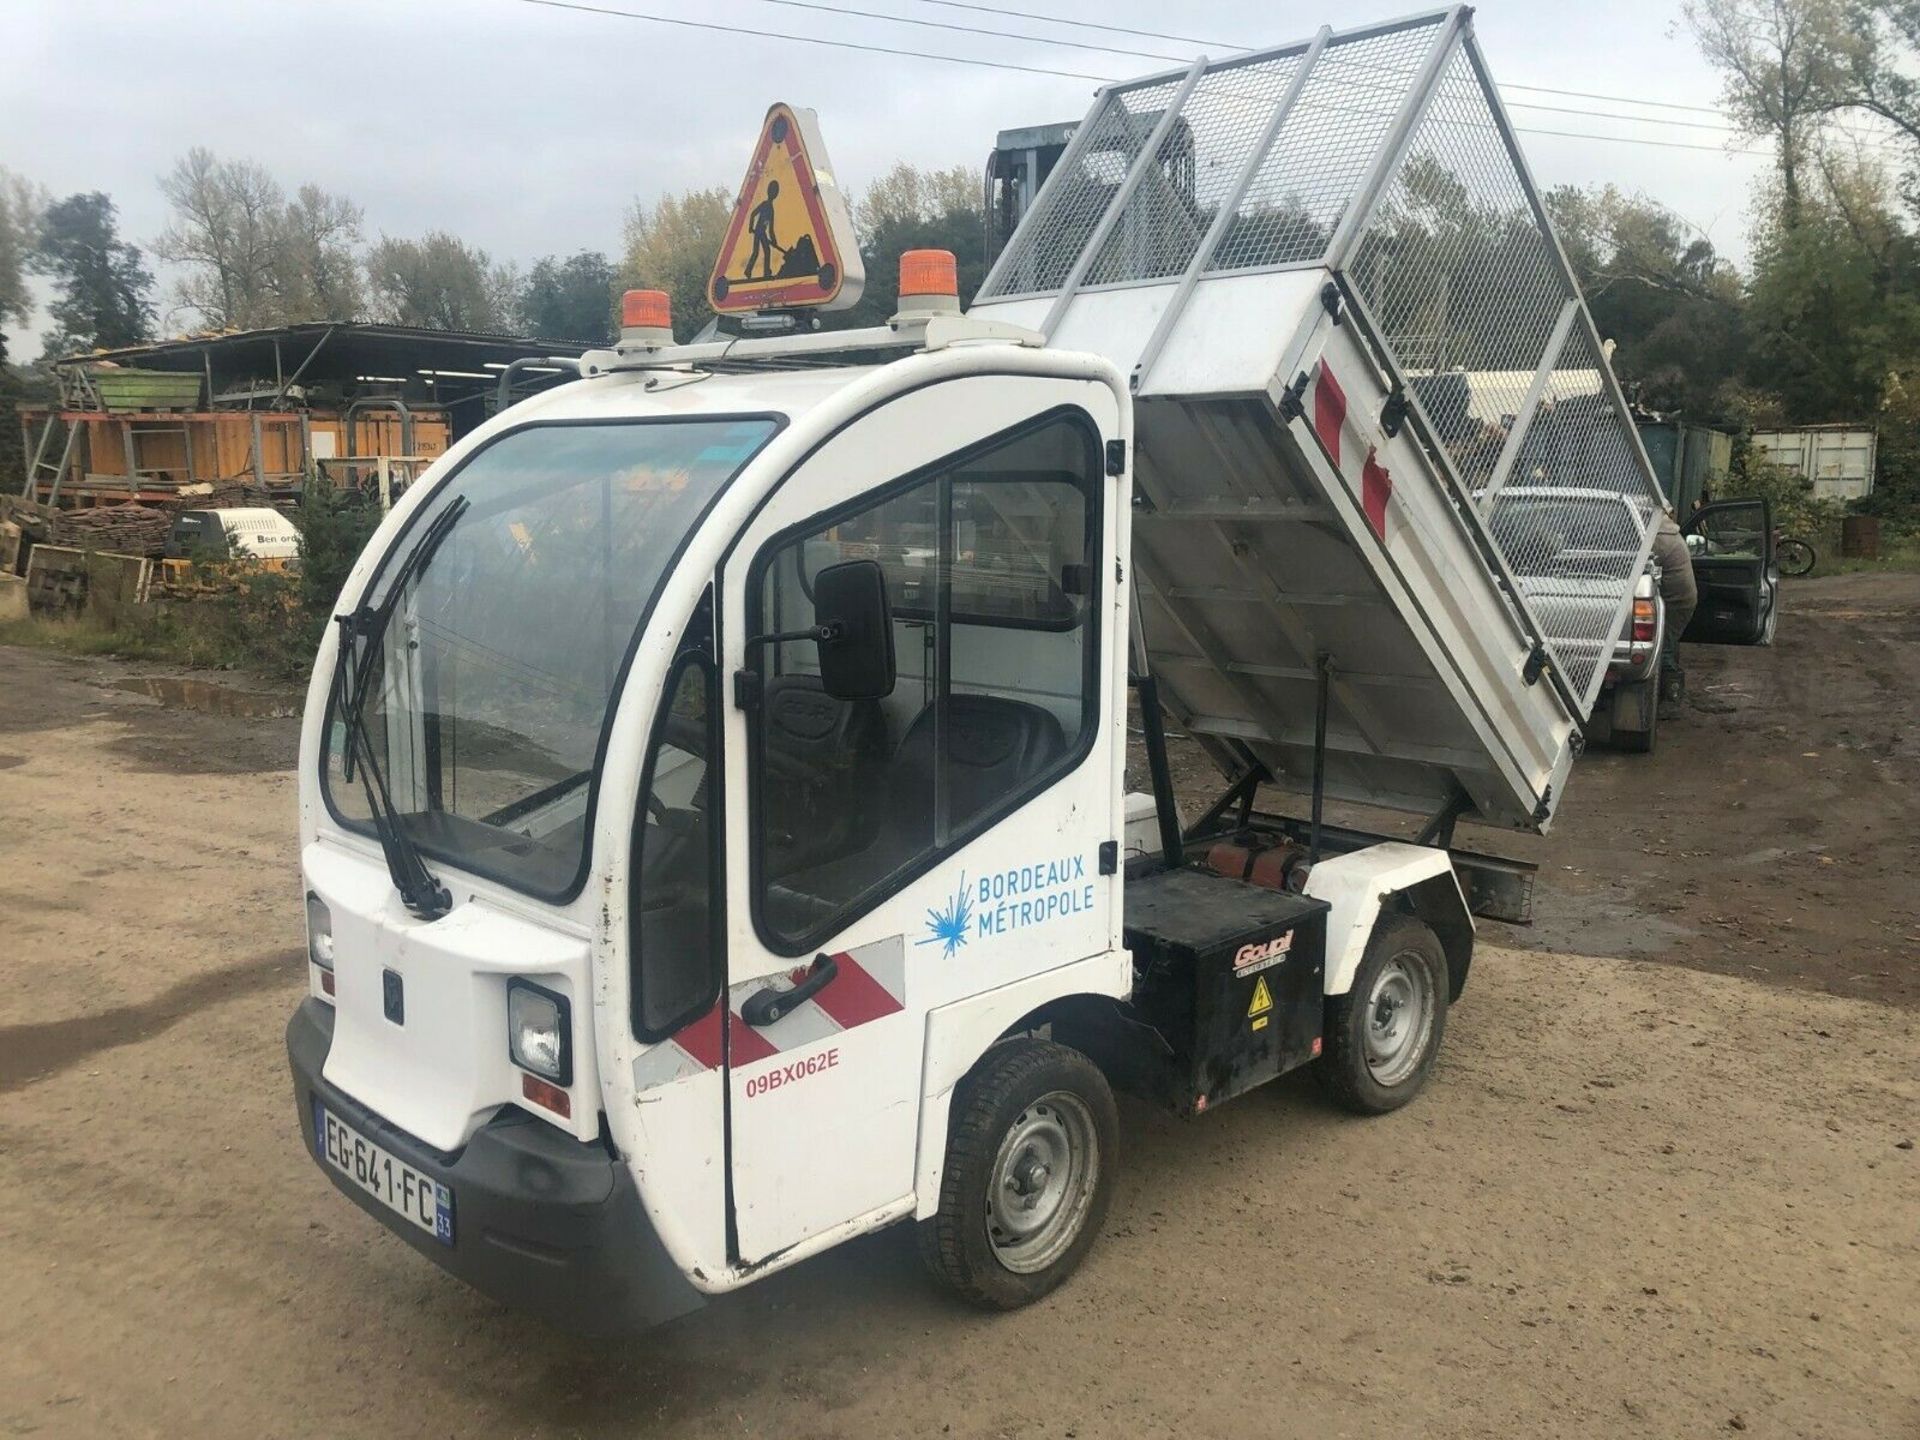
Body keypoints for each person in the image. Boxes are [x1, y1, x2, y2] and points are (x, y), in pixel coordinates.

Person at [1650, 505, 1697, 712]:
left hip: (1675, 602)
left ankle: (1671, 700)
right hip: (1681, 599)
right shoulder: (1668, 533)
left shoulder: (1659, 538)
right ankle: (1666, 695)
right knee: (1669, 643)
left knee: (1664, 649)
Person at [746, 180, 783, 280]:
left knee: (761, 251)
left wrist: (774, 241)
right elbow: (753, 213)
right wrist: (750, 226)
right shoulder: (765, 205)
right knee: (760, 251)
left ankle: (751, 270)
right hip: (758, 231)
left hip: (762, 232)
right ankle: (760, 272)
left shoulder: (771, 209)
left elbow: (771, 229)